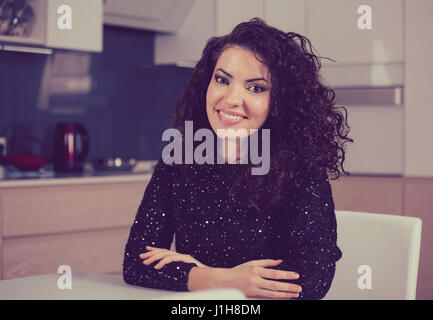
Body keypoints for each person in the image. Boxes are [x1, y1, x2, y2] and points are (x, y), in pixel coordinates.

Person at [123, 18, 353, 300]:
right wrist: (224, 278)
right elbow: (137, 263)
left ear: (281, 101)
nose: (232, 99)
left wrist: (195, 273)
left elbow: (309, 282)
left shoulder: (301, 168)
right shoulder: (179, 157)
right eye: (222, 80)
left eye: (255, 88)